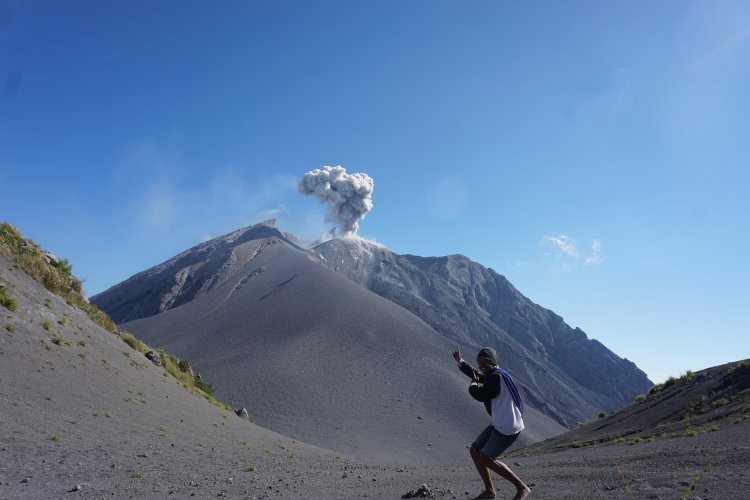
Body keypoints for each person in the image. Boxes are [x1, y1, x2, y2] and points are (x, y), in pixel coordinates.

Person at [453, 347, 531, 500]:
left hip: (508, 425)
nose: (482, 365)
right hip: (499, 422)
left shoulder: (495, 378)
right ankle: (490, 491)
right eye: (480, 362)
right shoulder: (494, 374)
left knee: (486, 457)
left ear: (492, 362)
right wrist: (460, 362)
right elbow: (479, 375)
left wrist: (473, 384)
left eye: (485, 362)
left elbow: (482, 394)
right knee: (475, 451)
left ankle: (522, 487)